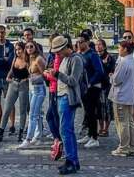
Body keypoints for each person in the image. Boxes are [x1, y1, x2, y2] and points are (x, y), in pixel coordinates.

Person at [50, 35, 84, 175]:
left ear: (65, 48)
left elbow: (73, 80)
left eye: (58, 51)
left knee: (65, 130)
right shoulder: (65, 59)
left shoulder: (76, 59)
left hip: (68, 98)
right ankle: (73, 161)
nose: (56, 54)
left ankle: (71, 161)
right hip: (61, 96)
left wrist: (57, 74)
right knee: (66, 130)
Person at [109, 39, 134, 156]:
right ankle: (133, 146)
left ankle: (124, 148)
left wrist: (111, 77)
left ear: (125, 49)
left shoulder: (123, 62)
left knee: (122, 122)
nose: (118, 50)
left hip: (121, 96)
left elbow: (117, 80)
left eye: (119, 48)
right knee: (130, 122)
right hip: (130, 95)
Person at [0, 41, 30, 142]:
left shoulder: (27, 60)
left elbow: (31, 73)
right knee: (7, 108)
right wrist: (8, 77)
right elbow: (11, 70)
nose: (18, 51)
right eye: (16, 49)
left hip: (23, 86)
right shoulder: (15, 58)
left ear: (23, 49)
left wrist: (26, 79)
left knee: (23, 110)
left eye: (19, 49)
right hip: (13, 84)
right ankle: (1, 132)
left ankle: (20, 133)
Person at [77, 34, 105, 149]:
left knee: (92, 112)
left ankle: (94, 138)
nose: (79, 43)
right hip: (83, 88)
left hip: (92, 88)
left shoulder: (93, 55)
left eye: (81, 41)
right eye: (78, 41)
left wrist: (90, 82)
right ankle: (89, 134)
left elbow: (100, 71)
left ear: (87, 42)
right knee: (87, 113)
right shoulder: (79, 55)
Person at [20, 39, 48, 148]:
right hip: (32, 88)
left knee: (32, 115)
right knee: (38, 115)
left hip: (39, 89)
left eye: (31, 46)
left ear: (35, 47)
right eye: (27, 47)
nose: (29, 49)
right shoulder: (29, 59)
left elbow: (45, 74)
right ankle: (38, 136)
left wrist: (35, 78)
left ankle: (28, 138)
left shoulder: (39, 59)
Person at [44, 34, 64, 160]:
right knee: (51, 116)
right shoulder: (54, 56)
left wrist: (46, 74)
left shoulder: (58, 57)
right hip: (52, 88)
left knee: (54, 116)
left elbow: (56, 75)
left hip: (56, 89)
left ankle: (59, 140)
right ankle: (57, 139)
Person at [96, 38, 117, 137]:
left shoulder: (110, 57)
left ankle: (106, 129)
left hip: (107, 86)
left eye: (100, 44)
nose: (98, 46)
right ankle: (100, 128)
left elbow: (112, 71)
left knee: (107, 108)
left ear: (104, 46)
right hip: (97, 86)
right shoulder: (95, 57)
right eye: (97, 44)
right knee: (99, 108)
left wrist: (105, 65)